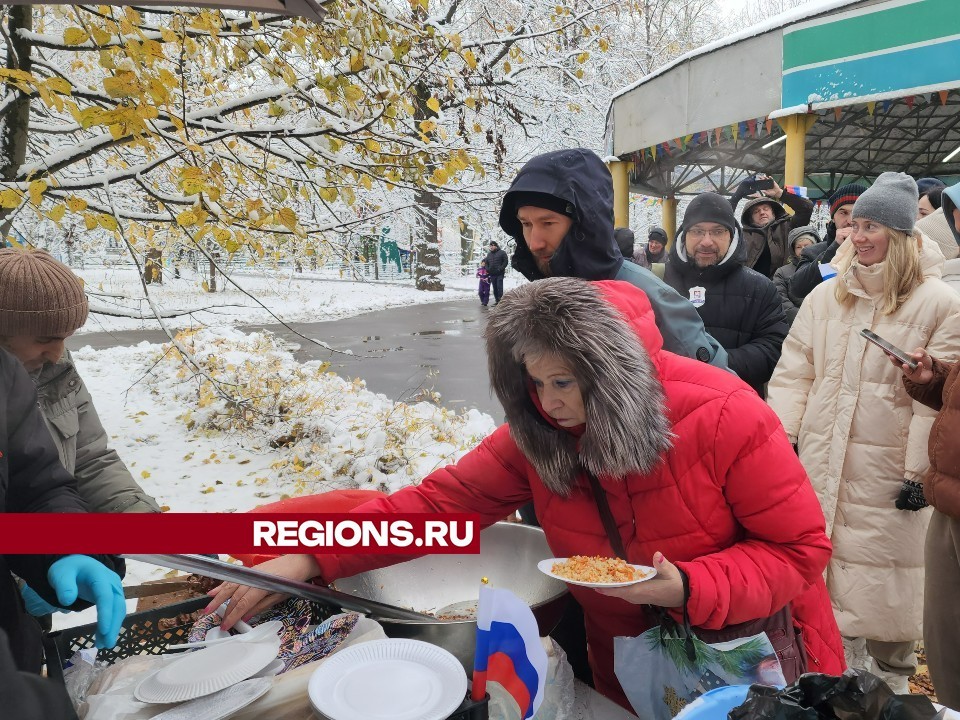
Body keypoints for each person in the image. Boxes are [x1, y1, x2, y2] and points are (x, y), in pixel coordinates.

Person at [208, 277, 844, 711]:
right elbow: (436, 507)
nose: (550, 403)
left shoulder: (724, 414)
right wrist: (310, 554)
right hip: (628, 659)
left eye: (566, 381)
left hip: (750, 653)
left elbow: (800, 551)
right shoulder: (539, 436)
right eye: (533, 384)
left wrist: (689, 587)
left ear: (614, 374)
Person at [767, 172, 960, 693]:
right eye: (855, 224)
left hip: (890, 474)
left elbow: (938, 403)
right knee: (821, 596)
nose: (858, 234)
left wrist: (920, 474)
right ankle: (830, 691)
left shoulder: (939, 302)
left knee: (889, 595)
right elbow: (795, 370)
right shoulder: (826, 300)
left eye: (872, 225)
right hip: (823, 462)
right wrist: (781, 440)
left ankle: (892, 692)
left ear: (899, 234)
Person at [497, 147, 727, 369]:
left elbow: (719, 391)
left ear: (586, 224)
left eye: (548, 223)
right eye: (526, 224)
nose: (534, 242)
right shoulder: (537, 294)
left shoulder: (649, 297)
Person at [0, 249, 160, 515]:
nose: (58, 354)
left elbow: (90, 459)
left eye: (67, 338)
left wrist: (141, 518)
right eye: (44, 340)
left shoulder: (57, 370)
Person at [0, 346, 126, 675]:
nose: (57, 353)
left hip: (12, 641)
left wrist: (68, 547)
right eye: (46, 337)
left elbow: (35, 484)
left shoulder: (6, 375)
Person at [663, 192, 788, 395]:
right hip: (665, 408)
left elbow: (774, 348)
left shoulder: (760, 288)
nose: (706, 241)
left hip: (734, 407)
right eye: (697, 231)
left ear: (732, 236)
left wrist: (715, 363)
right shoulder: (657, 281)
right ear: (684, 234)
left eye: (718, 231)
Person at [789, 183, 868, 302]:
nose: (851, 220)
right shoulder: (814, 252)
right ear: (833, 217)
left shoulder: (880, 249)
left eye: (857, 212)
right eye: (843, 213)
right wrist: (835, 249)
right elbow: (797, 289)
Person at [728, 174, 814, 278]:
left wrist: (780, 193)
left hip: (782, 287)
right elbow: (720, 222)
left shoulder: (788, 227)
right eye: (756, 211)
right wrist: (737, 196)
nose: (762, 212)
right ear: (750, 218)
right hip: (750, 289)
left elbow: (806, 208)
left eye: (766, 208)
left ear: (774, 212)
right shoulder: (741, 235)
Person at [773, 226, 820, 325]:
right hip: (796, 324)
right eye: (799, 247)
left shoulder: (826, 266)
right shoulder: (782, 272)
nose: (803, 250)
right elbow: (781, 301)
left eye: (807, 245)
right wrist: (803, 319)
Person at [484, 240, 508, 304]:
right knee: (494, 288)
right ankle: (497, 301)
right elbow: (486, 263)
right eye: (490, 246)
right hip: (492, 274)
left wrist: (500, 269)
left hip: (499, 273)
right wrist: (487, 269)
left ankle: (501, 301)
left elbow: (505, 261)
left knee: (499, 287)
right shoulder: (489, 254)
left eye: (492, 245)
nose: (491, 247)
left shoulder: (502, 252)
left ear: (496, 246)